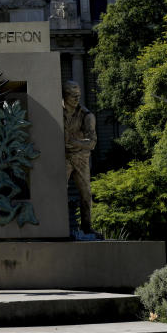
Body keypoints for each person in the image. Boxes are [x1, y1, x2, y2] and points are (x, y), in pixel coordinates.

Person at [63, 80, 97, 234]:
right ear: (64, 95)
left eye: (78, 96)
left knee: (86, 193)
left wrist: (73, 142)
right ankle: (60, 227)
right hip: (62, 156)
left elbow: (92, 142)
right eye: (72, 96)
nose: (76, 99)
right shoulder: (56, 110)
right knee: (58, 191)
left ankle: (87, 227)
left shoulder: (86, 115)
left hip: (80, 157)